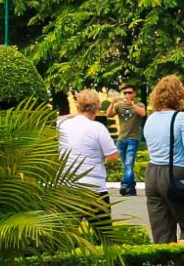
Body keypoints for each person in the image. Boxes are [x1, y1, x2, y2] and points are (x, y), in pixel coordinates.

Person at [141, 74, 184, 244]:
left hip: (152, 173)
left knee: (162, 232)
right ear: (180, 95)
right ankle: (180, 265)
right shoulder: (182, 118)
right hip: (177, 173)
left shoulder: (150, 119)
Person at [59, 89, 121, 233]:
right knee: (105, 236)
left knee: (65, 235)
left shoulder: (63, 125)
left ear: (78, 105)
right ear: (97, 107)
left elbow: (55, 120)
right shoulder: (98, 128)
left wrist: (72, 115)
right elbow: (113, 157)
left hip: (67, 187)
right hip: (94, 188)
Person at [111, 84, 146, 197]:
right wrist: (112, 103)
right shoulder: (119, 106)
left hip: (133, 139)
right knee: (126, 165)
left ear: (134, 94)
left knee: (129, 164)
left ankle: (125, 185)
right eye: (125, 93)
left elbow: (143, 113)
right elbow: (108, 114)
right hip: (121, 139)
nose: (127, 95)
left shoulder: (139, 105)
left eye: (129, 92)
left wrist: (131, 104)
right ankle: (131, 188)